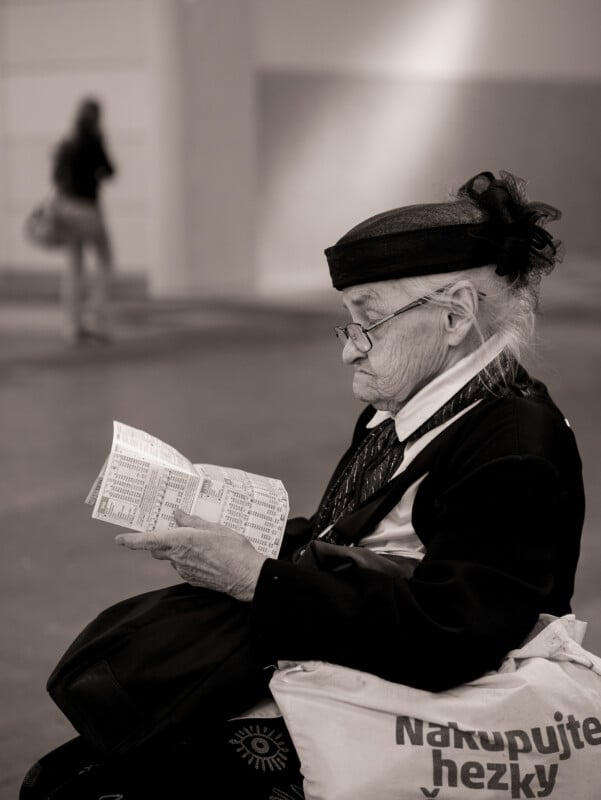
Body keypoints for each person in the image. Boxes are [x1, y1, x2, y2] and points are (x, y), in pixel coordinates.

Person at [21, 170, 585, 799]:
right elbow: (365, 539)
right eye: (348, 324)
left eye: (367, 322)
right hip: (359, 667)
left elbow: (455, 636)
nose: (350, 351)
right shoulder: (407, 409)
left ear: (454, 316)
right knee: (76, 769)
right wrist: (247, 536)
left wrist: (254, 578)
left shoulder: (513, 445)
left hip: (427, 711)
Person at [52, 97, 116, 343]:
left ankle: (71, 324)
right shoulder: (94, 142)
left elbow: (56, 177)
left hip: (67, 208)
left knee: (73, 266)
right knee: (104, 260)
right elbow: (110, 171)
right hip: (88, 208)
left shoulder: (67, 144)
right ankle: (95, 317)